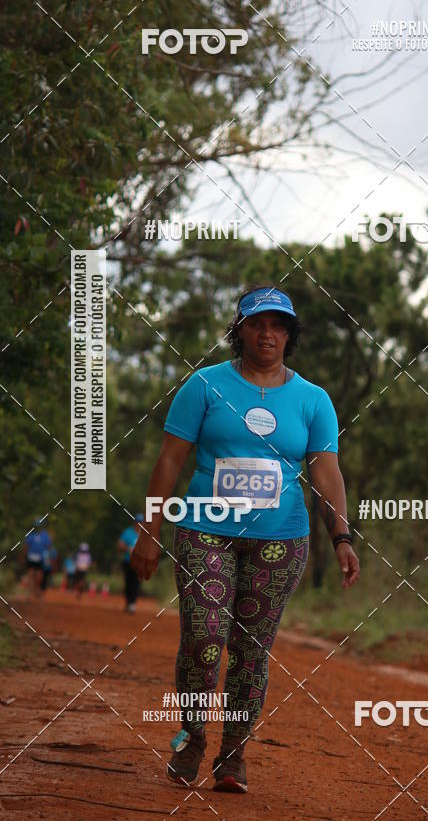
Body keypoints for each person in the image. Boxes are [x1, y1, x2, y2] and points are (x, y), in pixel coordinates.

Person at [130, 285, 360, 793]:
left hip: (280, 539)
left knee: (251, 648)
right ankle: (191, 737)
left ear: (290, 336)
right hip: (203, 531)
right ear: (240, 331)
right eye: (257, 324)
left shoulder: (313, 400)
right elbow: (170, 459)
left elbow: (326, 474)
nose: (268, 334)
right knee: (206, 639)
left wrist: (341, 535)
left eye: (279, 326)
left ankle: (233, 755)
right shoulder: (205, 386)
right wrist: (149, 530)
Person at [118, 517, 141, 612]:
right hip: (128, 561)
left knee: (136, 582)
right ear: (134, 522)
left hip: (139, 563)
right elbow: (120, 545)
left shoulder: (145, 534)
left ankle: (132, 603)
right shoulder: (128, 532)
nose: (139, 524)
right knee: (128, 582)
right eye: (138, 522)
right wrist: (128, 549)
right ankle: (128, 601)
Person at [24, 520, 52, 598]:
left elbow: (49, 547)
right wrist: (25, 555)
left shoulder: (45, 536)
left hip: (41, 558)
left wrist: (47, 555)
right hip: (31, 557)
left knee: (39, 576)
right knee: (31, 574)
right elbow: (26, 546)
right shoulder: (30, 535)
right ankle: (30, 591)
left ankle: (37, 588)